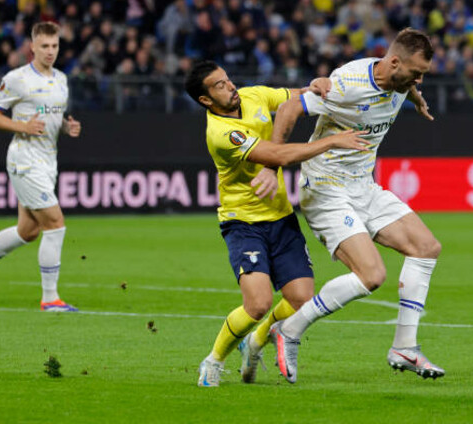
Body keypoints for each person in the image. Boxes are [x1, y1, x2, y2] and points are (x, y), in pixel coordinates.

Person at [268, 28, 445, 383]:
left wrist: (415, 96)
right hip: (325, 188)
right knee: (372, 275)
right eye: (416, 73)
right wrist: (271, 163)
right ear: (394, 62)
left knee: (426, 248)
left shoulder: (398, 80)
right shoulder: (346, 84)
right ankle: (289, 330)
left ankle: (404, 348)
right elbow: (290, 108)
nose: (420, 79)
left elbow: (404, 84)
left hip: (363, 185)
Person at [184, 60, 368, 387]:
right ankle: (213, 361)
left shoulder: (252, 95)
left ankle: (255, 341)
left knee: (301, 298)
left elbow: (294, 99)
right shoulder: (222, 134)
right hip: (243, 222)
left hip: (281, 217)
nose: (231, 87)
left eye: (228, 80)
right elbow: (278, 156)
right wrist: (330, 141)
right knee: (257, 303)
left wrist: (316, 83)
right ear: (205, 100)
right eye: (220, 86)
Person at [0, 22, 81, 312]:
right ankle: (50, 298)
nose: (50, 51)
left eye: (55, 46)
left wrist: (66, 127)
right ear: (32, 47)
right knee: (55, 222)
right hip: (24, 160)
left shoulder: (61, 79)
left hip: (48, 160)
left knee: (28, 231)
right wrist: (21, 125)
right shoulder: (17, 79)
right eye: (45, 46)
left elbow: (51, 118)